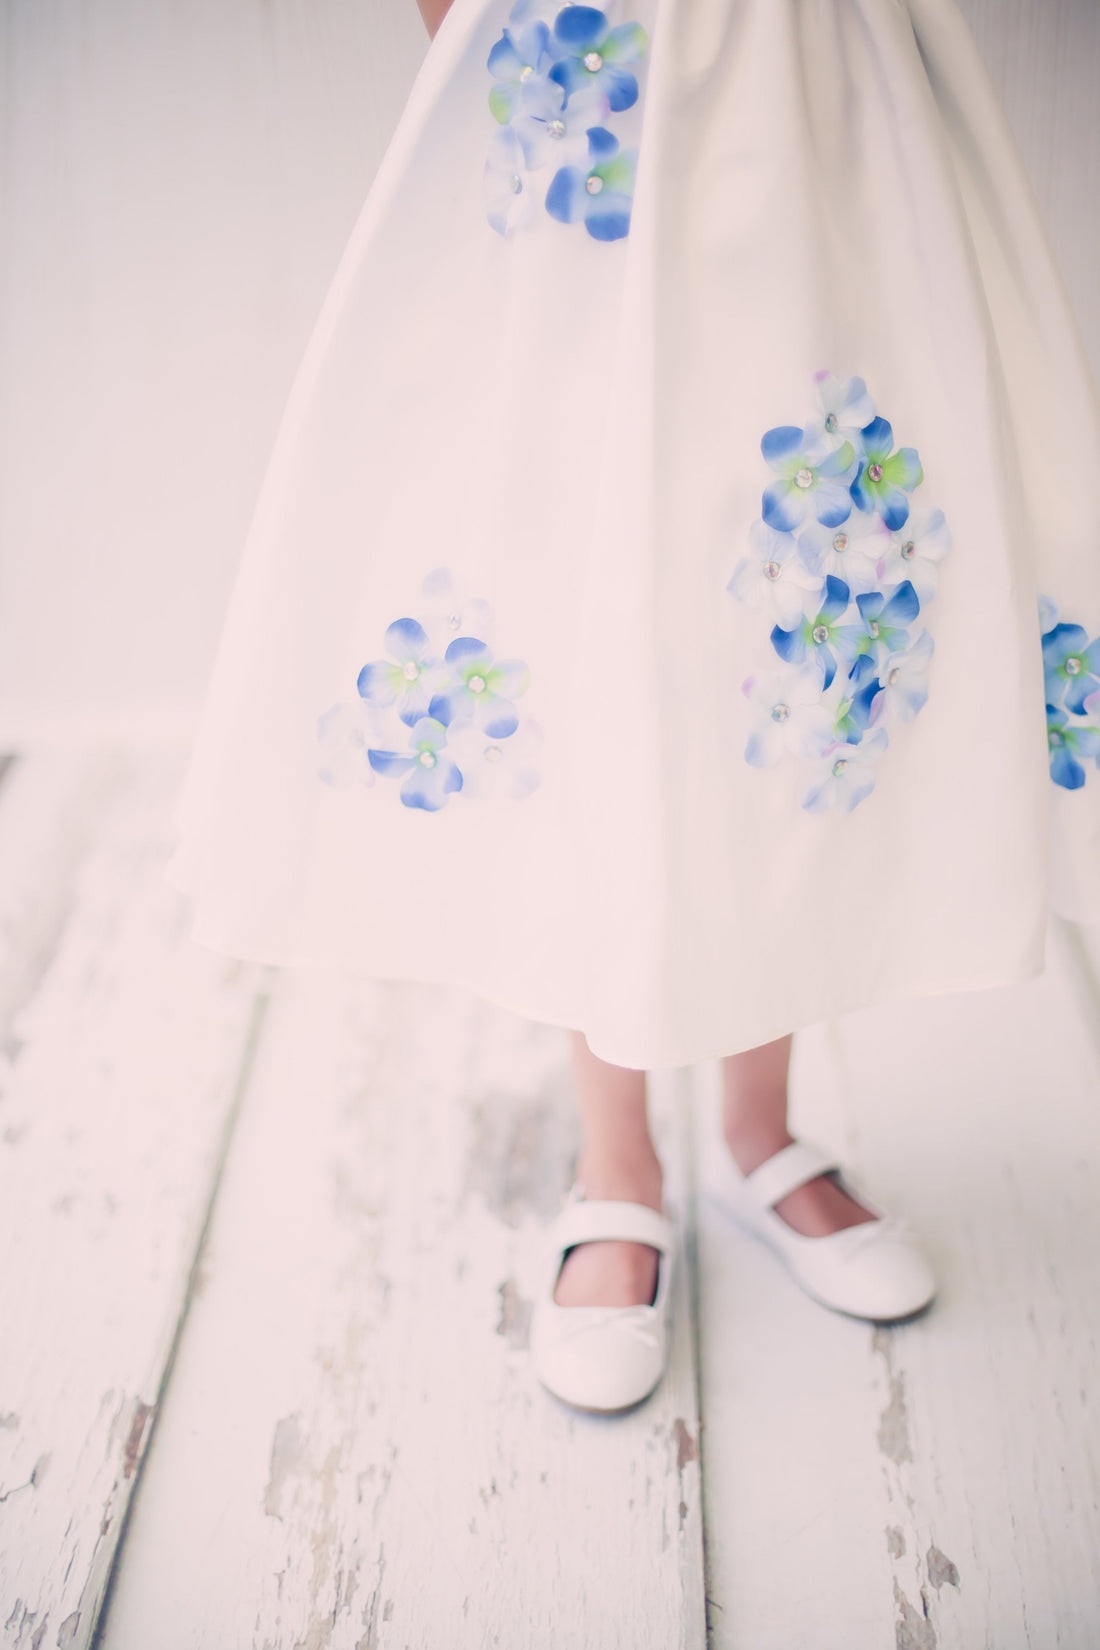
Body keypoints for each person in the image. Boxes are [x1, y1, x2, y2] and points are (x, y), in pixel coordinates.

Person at [169, 0, 1100, 1415]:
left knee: (791, 601)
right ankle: (619, 1164)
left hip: (815, 78)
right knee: (586, 593)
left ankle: (758, 1132)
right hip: (589, 65)